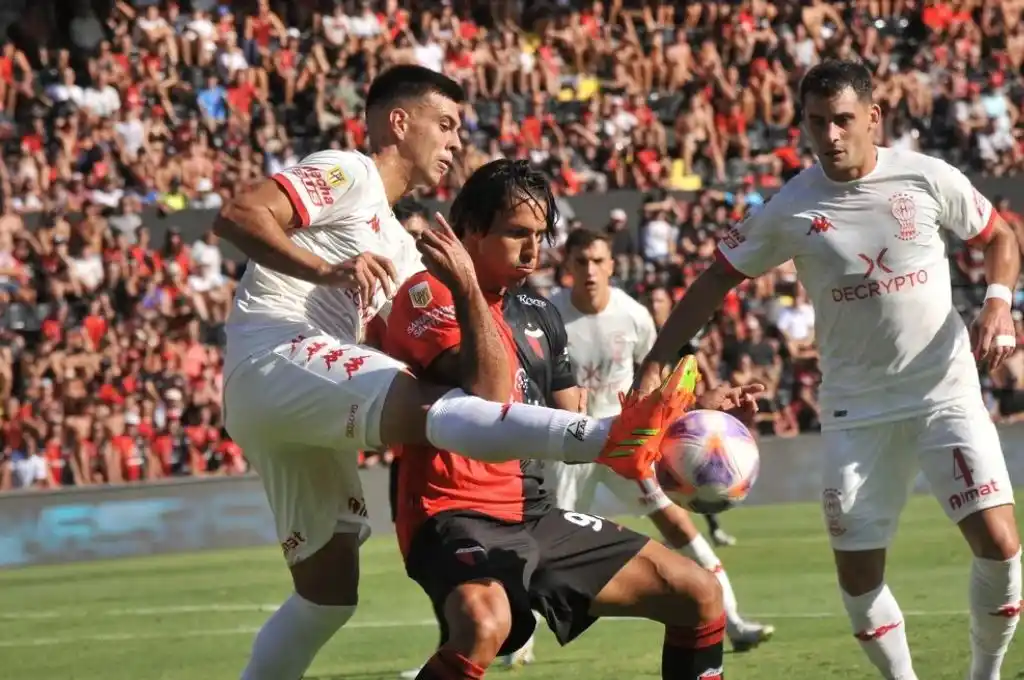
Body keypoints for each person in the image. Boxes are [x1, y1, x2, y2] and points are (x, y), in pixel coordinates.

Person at [214, 66, 687, 680]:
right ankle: (606, 440)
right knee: (427, 404)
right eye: (445, 124)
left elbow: (481, 395)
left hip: (293, 403)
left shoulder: (404, 247)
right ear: (397, 121)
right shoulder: (349, 171)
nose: (456, 141)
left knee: (327, 597)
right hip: (275, 353)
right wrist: (327, 271)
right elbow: (239, 214)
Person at [637, 59, 1022, 680]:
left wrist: (998, 305)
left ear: (873, 117)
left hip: (944, 392)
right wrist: (661, 357)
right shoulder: (790, 207)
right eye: (817, 122)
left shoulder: (925, 177)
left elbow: (999, 237)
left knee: (1001, 546)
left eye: (843, 119)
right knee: (859, 575)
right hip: (855, 409)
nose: (830, 134)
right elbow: (715, 279)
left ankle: (987, 673)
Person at [383, 159, 733, 680]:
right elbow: (488, 393)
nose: (534, 250)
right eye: (516, 234)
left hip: (534, 512)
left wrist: (687, 427)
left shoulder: (540, 312)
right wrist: (468, 290)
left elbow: (575, 422)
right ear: (471, 231)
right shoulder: (427, 295)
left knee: (699, 594)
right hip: (451, 513)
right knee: (483, 625)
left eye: (541, 235)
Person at [548, 228, 774, 651]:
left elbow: (663, 378)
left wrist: (689, 411)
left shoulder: (632, 314)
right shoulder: (551, 314)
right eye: (581, 262)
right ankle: (514, 645)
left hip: (626, 445)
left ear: (612, 265)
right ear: (568, 266)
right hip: (568, 446)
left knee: (676, 522)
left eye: (598, 261)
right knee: (542, 540)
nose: (590, 270)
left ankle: (735, 621)